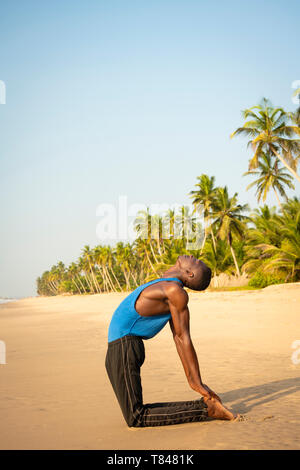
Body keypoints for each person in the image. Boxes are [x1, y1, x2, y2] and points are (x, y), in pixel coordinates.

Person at [105, 254, 236, 427]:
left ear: (190, 274)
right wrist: (194, 380)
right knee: (133, 411)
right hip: (118, 347)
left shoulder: (174, 291)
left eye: (197, 262)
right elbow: (179, 337)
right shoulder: (166, 284)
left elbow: (182, 337)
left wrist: (195, 381)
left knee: (135, 416)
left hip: (124, 347)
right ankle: (207, 407)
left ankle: (207, 409)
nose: (193, 256)